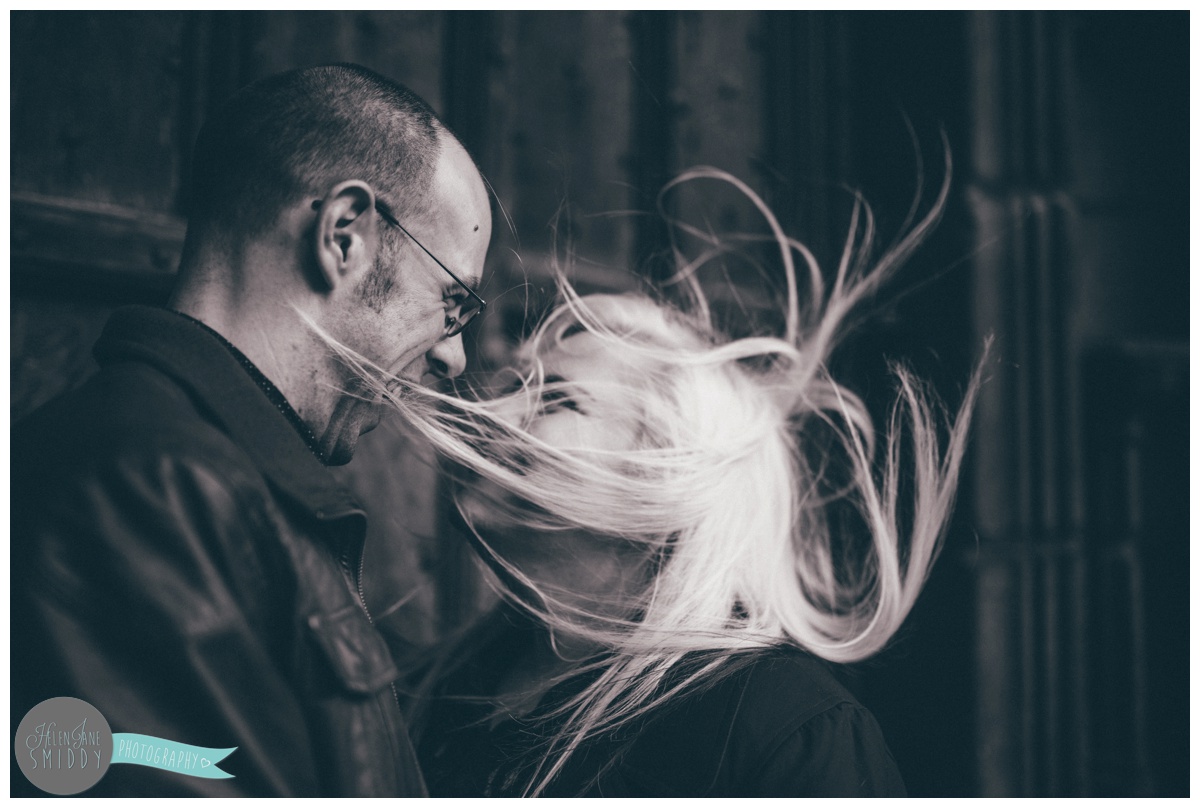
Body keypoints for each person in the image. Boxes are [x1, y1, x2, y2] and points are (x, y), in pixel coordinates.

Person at [370, 168, 982, 796]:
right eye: (509, 388)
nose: (493, 415)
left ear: (667, 475)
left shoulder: (778, 727)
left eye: (556, 401)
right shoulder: (434, 693)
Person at [10, 63, 491, 796]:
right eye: (453, 303)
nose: (454, 356)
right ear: (344, 236)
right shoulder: (150, 492)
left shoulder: (210, 484)